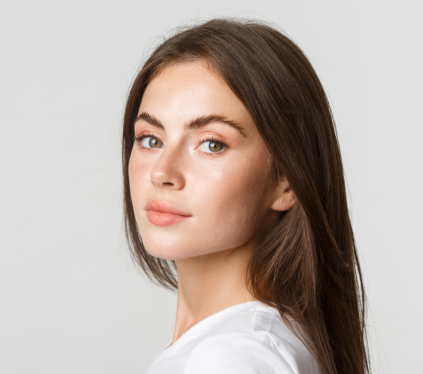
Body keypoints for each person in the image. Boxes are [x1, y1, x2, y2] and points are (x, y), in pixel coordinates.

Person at [122, 18, 369, 374]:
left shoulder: (232, 356)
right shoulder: (239, 344)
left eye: (211, 144)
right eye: (151, 139)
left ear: (287, 181)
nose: (162, 172)